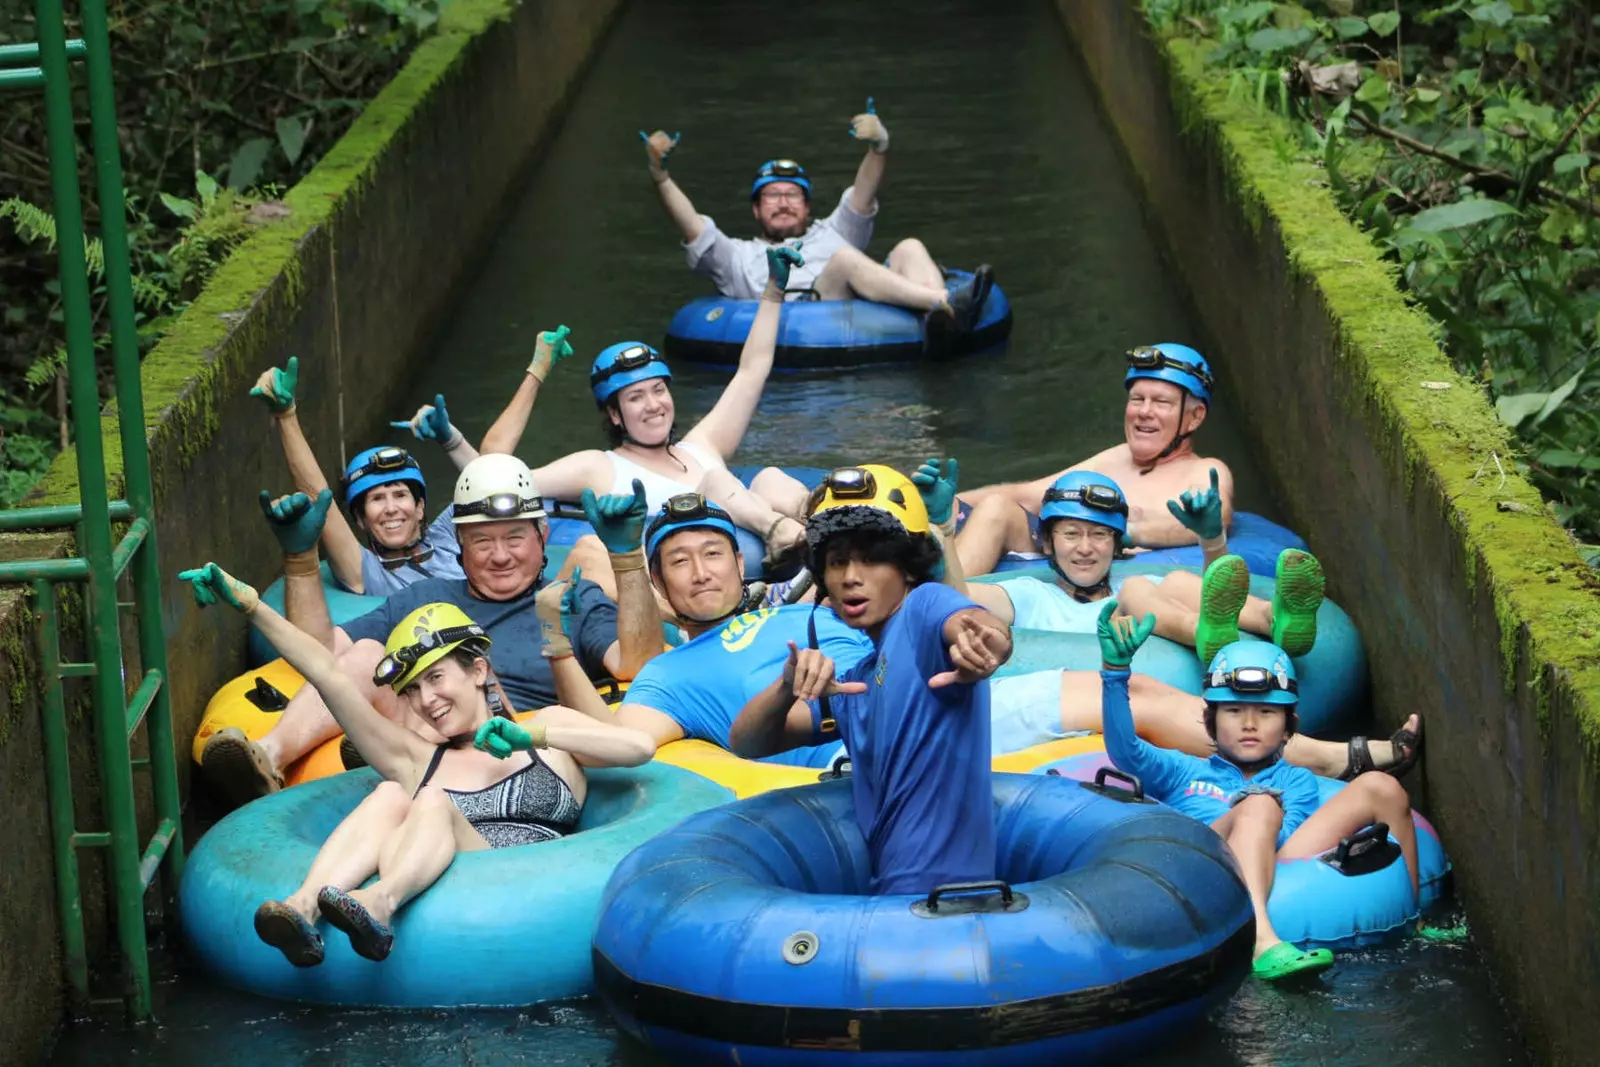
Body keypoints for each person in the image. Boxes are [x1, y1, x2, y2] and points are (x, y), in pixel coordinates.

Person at [178, 565, 654, 965]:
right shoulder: (417, 758)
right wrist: (252, 606)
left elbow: (638, 748)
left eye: (437, 678)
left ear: (479, 670)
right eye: (412, 690)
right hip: (440, 885)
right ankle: (303, 908)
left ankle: (382, 904)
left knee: (426, 798)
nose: (427, 700)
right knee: (390, 792)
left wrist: (529, 734)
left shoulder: (547, 733)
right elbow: (327, 674)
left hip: (523, 896)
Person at [197, 453, 661, 810]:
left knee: (455, 665)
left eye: (514, 537)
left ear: (543, 538)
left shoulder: (568, 602)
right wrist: (300, 561)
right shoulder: (425, 597)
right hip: (418, 729)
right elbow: (322, 653)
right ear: (459, 546)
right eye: (482, 540)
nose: (500, 556)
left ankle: (400, 752)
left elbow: (637, 663)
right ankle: (267, 758)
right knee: (363, 657)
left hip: (509, 739)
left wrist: (626, 557)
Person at [728, 465, 1014, 895]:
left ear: (908, 569)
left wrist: (987, 643)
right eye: (838, 562)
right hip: (892, 899)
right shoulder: (854, 685)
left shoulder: (922, 608)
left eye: (872, 558)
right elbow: (748, 743)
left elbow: (973, 623)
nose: (851, 577)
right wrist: (786, 686)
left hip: (943, 902)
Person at [1098, 606, 1425, 981]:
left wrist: (1258, 813)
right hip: (1201, 864)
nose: (1249, 724)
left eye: (1267, 713)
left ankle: (1412, 918)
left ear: (1289, 727)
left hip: (1275, 858)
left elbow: (1288, 844)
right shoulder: (1183, 769)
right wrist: (1114, 673)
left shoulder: (1296, 780)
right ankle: (1261, 941)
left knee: (1381, 785)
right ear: (1211, 721)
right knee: (1259, 804)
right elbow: (1126, 751)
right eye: (1234, 711)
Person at [476, 253, 811, 574]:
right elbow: (493, 469)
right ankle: (781, 532)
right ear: (615, 415)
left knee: (770, 479)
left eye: (659, 390)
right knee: (717, 480)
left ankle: (829, 527)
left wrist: (773, 290)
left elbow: (752, 371)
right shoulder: (598, 467)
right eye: (636, 397)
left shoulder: (703, 444)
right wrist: (538, 370)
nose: (654, 405)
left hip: (770, 565)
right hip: (688, 570)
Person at [640, 99, 993, 344]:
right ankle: (945, 301)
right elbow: (692, 226)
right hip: (806, 314)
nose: (782, 202)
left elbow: (864, 192)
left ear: (807, 207)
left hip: (858, 306)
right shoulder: (736, 256)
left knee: (909, 247)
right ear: (756, 210)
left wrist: (879, 146)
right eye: (771, 195)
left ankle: (942, 319)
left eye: (792, 195)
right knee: (843, 260)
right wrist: (661, 177)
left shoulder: (833, 231)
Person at [957, 469, 1328, 666]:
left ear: (1117, 543)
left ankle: (1273, 618)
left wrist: (1212, 539)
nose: (1085, 548)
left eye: (1100, 535)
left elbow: (1222, 594)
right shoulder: (1029, 593)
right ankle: (1201, 634)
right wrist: (943, 532)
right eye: (1071, 534)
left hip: (1169, 652)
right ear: (1049, 543)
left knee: (1181, 580)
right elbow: (955, 596)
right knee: (1135, 590)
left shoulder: (1147, 582)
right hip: (1090, 681)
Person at [957, 344, 1233, 561]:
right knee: (996, 507)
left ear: (1195, 417)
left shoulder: (1204, 471)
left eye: (1161, 402)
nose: (1144, 412)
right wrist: (951, 503)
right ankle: (929, 601)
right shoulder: (1117, 457)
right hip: (1061, 554)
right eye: (1137, 399)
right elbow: (1027, 495)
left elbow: (1215, 519)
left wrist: (1123, 532)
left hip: (1125, 576)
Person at [249, 356, 478, 595]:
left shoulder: (449, 536)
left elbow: (494, 482)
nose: (391, 508)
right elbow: (318, 496)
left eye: (400, 495)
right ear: (360, 519)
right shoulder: (366, 571)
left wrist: (451, 440)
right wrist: (286, 415)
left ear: (419, 507)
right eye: (377, 499)